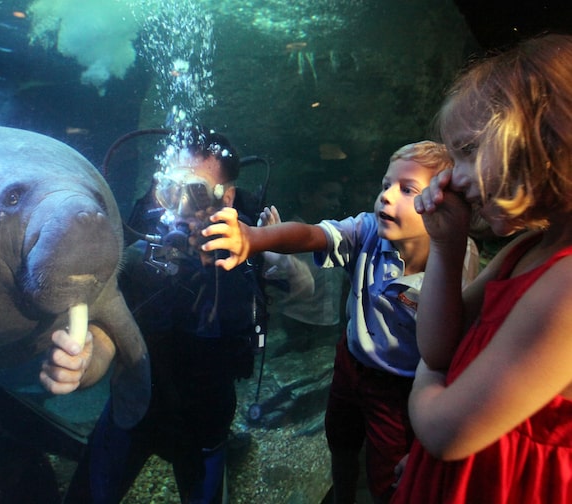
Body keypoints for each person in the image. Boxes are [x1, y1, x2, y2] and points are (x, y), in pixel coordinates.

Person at [201, 141, 478, 504]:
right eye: (385, 186)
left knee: (391, 472)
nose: (387, 197)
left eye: (406, 189)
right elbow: (312, 234)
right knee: (341, 439)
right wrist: (254, 238)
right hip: (351, 364)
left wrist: (427, 447)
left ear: (443, 203)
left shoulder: (459, 259)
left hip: (404, 390)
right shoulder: (367, 231)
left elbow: (462, 348)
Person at [390, 33, 572, 503]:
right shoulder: (527, 248)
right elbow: (439, 345)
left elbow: (449, 430)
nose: (453, 178)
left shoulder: (568, 280)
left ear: (546, 139)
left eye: (468, 151)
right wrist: (447, 247)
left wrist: (425, 383)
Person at [43, 129, 264, 503]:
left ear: (226, 197)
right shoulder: (138, 256)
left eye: (193, 192)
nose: (177, 207)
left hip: (205, 426)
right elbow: (111, 334)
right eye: (168, 190)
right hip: (132, 412)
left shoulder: (252, 253)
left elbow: (304, 294)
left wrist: (274, 251)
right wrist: (83, 365)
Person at [261, 172, 346, 355]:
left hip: (331, 323)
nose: (336, 204)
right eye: (329, 196)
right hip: (295, 324)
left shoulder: (341, 235)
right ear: (305, 196)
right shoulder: (284, 235)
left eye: (339, 198)